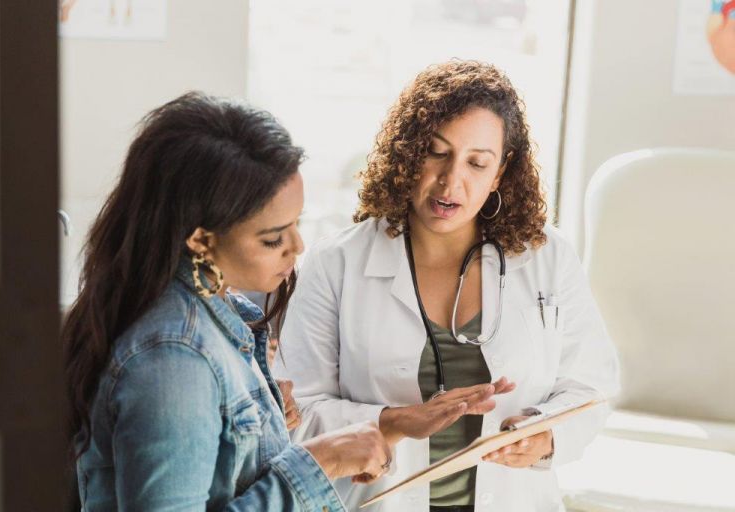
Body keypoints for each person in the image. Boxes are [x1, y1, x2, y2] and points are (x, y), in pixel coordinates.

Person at [274, 61, 620, 512]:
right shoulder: (336, 263)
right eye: (436, 152)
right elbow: (294, 412)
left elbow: (591, 386)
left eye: (477, 163)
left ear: (500, 172)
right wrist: (393, 421)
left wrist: (545, 434)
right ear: (408, 152)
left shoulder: (547, 257)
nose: (451, 180)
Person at [63, 92, 391, 511]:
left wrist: (266, 428)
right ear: (200, 239)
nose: (297, 246)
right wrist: (318, 463)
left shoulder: (211, 313)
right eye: (273, 238)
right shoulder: (174, 357)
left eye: (296, 224)